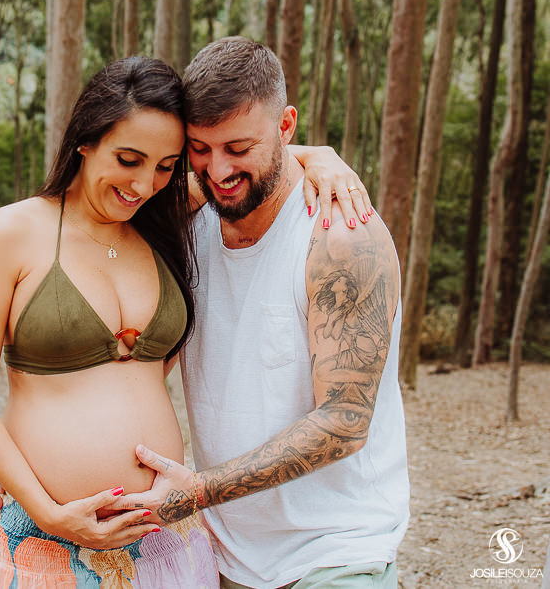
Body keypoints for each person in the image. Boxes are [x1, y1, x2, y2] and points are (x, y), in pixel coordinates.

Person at [0, 55, 370, 587]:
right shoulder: (12, 232)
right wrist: (44, 504)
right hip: (47, 535)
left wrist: (322, 158)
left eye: (166, 166)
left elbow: (248, 163)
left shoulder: (164, 223)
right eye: (128, 158)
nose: (143, 184)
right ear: (84, 140)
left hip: (167, 538)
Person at [113, 37, 409, 588]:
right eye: (199, 148)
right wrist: (14, 457)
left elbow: (344, 423)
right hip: (225, 557)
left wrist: (197, 491)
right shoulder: (189, 225)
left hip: (336, 553)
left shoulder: (342, 238)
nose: (217, 169)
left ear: (287, 126)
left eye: (238, 147)